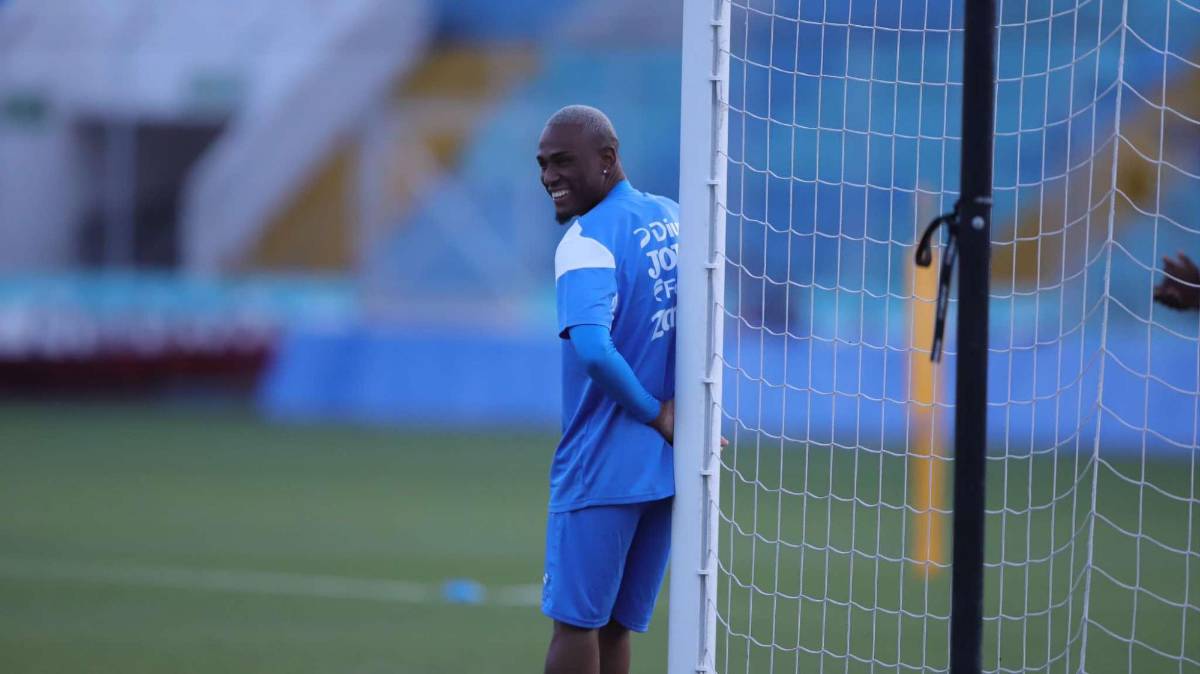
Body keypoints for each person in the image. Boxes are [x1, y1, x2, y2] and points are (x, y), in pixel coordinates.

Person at [536, 104, 678, 674]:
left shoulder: (587, 240)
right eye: (543, 164)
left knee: (575, 626)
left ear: (608, 160)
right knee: (618, 628)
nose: (548, 176)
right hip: (665, 469)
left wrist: (655, 414)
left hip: (603, 465)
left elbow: (593, 350)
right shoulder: (673, 218)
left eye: (563, 162)